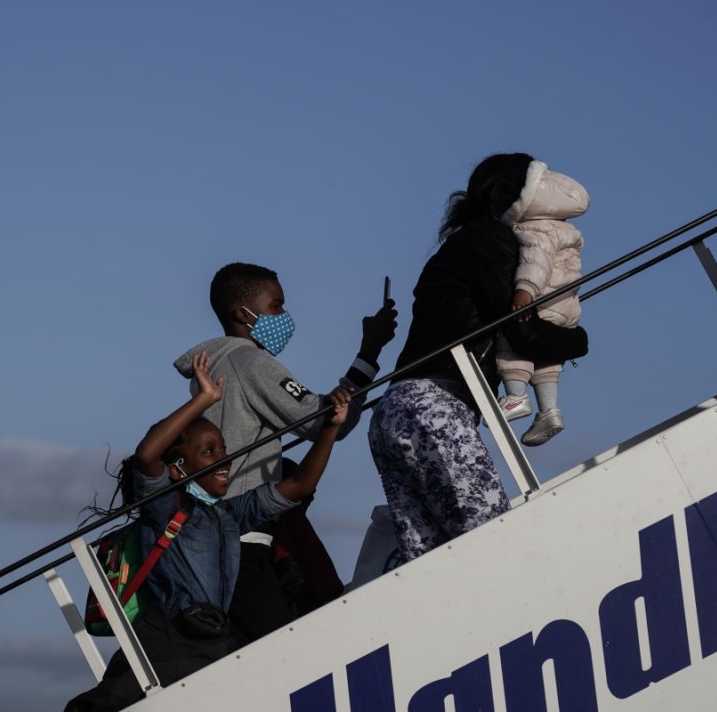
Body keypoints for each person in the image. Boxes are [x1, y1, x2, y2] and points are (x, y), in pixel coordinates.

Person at [66, 352, 350, 712]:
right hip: (170, 637)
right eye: (209, 451)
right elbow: (148, 455)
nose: (224, 459)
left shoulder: (229, 514)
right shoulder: (164, 506)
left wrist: (329, 429)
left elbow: (299, 485)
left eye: (224, 450)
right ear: (178, 469)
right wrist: (203, 400)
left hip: (213, 637)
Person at [368, 153, 589, 564]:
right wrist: (577, 340)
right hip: (436, 405)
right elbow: (520, 328)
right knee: (490, 543)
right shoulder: (491, 240)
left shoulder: (459, 244)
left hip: (396, 407)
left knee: (428, 559)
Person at [173, 262, 396, 639]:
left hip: (217, 537)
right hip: (244, 540)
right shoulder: (249, 361)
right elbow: (325, 421)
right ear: (243, 314)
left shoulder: (214, 366)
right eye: (276, 306)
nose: (284, 316)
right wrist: (370, 352)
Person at [496, 159, 590, 446]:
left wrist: (525, 289)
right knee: (547, 357)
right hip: (566, 305)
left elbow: (536, 261)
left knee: (511, 341)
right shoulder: (565, 228)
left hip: (541, 299)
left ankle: (515, 396)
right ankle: (550, 411)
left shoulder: (535, 229)